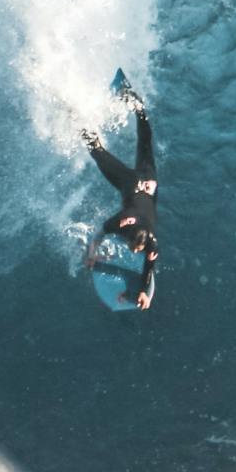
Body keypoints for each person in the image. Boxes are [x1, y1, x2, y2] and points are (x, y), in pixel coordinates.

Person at [81, 87, 157, 309]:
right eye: (134, 247)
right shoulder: (123, 221)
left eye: (137, 249)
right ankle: (74, 115)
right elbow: (100, 233)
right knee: (97, 152)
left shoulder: (151, 243)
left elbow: (148, 270)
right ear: (129, 233)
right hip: (131, 184)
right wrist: (92, 254)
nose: (135, 252)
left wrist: (145, 294)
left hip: (150, 183)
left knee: (145, 140)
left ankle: (136, 104)